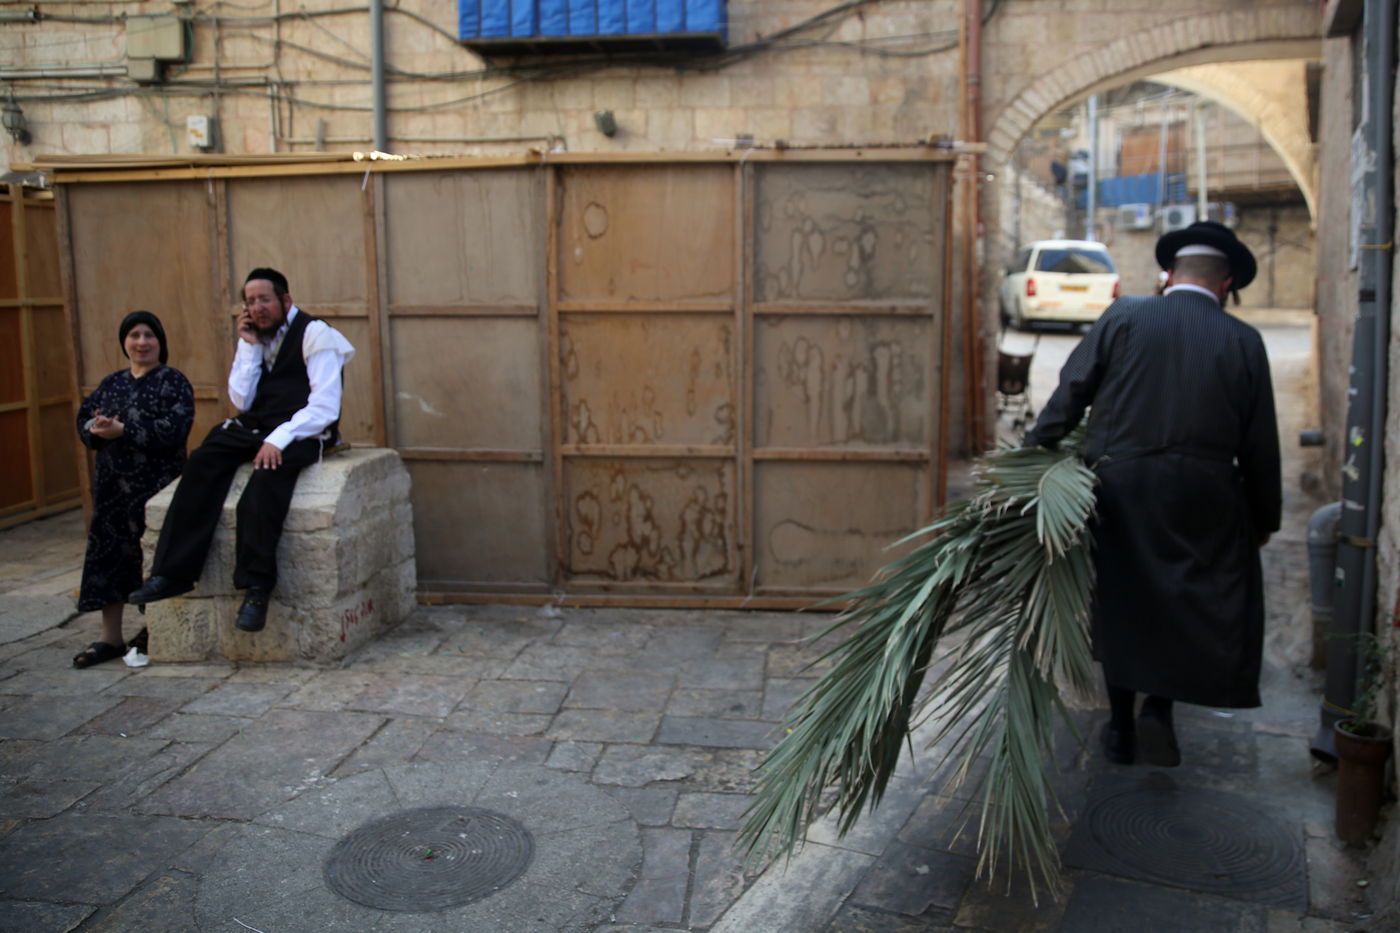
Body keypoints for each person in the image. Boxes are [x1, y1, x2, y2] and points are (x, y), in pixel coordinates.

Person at [1024, 221, 1282, 767]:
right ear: (1227, 282)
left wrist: (1032, 455)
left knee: (1124, 599)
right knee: (1181, 598)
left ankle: (1119, 728)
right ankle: (1158, 712)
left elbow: (1071, 391)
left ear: (1168, 275)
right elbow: (1260, 444)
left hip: (1122, 486)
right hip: (1206, 490)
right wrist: (1263, 517)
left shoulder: (1124, 316)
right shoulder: (1244, 341)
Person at [128, 268, 355, 633]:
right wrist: (247, 346)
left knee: (265, 481)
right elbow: (241, 399)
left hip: (303, 430)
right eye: (250, 302)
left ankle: (256, 587)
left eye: (264, 300)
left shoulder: (317, 335)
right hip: (258, 426)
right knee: (202, 461)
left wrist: (277, 440)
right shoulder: (256, 337)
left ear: (285, 301)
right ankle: (173, 572)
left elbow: (325, 406)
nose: (257, 308)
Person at [73, 311, 194, 668]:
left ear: (160, 342)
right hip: (112, 492)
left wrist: (125, 429)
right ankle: (109, 637)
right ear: (124, 342)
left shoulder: (172, 381)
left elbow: (175, 428)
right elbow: (84, 418)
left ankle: (153, 630)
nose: (141, 342)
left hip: (154, 489)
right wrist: (96, 428)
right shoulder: (112, 383)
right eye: (134, 336)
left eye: (149, 335)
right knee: (110, 560)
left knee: (154, 560)